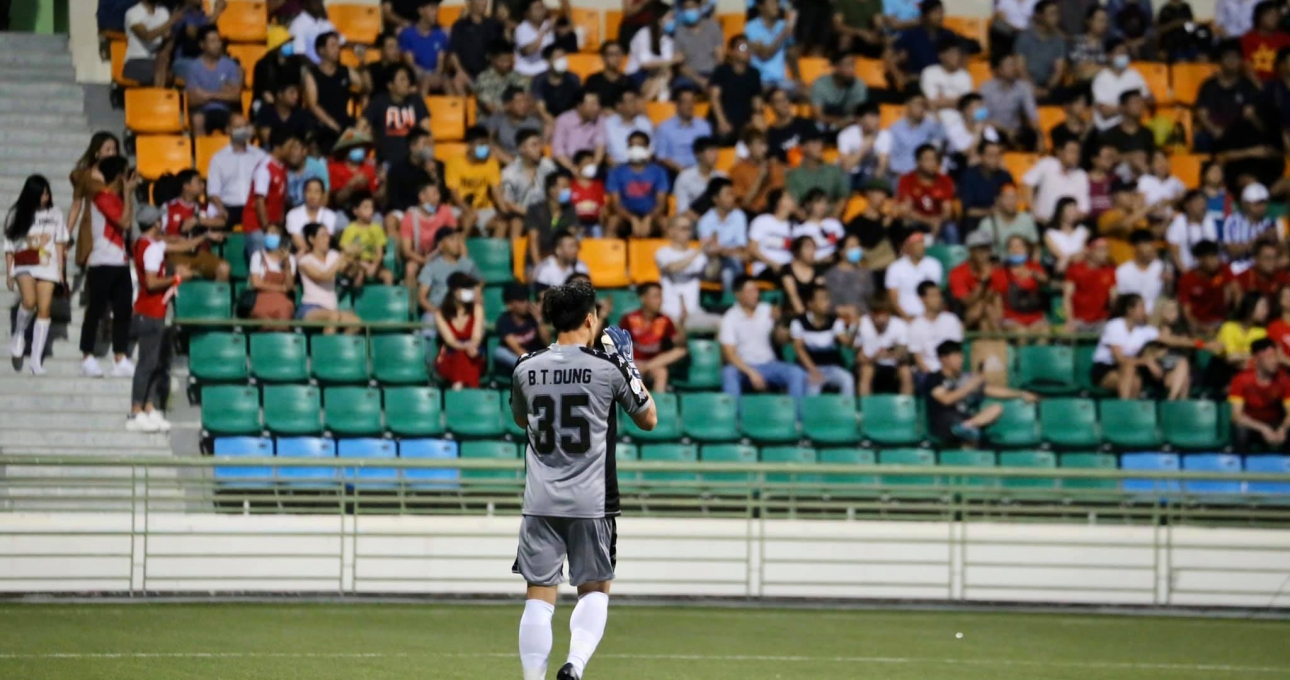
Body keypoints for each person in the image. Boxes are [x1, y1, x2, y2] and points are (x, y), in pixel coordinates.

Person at [508, 279, 657, 680]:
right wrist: (627, 361)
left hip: (540, 499)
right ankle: (574, 665)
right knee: (594, 588)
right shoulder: (607, 368)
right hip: (592, 500)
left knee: (538, 597)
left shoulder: (525, 366)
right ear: (591, 320)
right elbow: (649, 419)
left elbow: (521, 419)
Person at [125, 205, 185, 433]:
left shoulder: (143, 244)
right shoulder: (151, 249)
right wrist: (176, 278)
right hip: (149, 312)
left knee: (155, 364)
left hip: (152, 312)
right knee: (147, 364)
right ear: (157, 223)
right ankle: (135, 411)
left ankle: (149, 408)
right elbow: (150, 283)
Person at [80, 157, 138, 379]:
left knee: (123, 310)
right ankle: (86, 356)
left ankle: (120, 357)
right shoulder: (102, 197)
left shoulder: (117, 198)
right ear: (120, 176)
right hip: (101, 261)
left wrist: (127, 194)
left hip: (120, 262)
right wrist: (129, 193)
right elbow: (124, 222)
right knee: (95, 310)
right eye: (126, 174)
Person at [4, 176, 66, 376]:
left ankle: (36, 360)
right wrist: (9, 272)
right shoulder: (17, 213)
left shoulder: (55, 213)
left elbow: (59, 242)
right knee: (29, 301)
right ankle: (19, 334)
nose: (46, 197)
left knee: (45, 309)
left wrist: (61, 271)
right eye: (42, 194)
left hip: (48, 264)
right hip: (24, 262)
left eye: (47, 193)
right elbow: (10, 245)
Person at [927, 340, 1038, 447]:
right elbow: (946, 400)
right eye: (955, 356)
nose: (960, 360)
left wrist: (1021, 394)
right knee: (969, 432)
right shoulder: (935, 378)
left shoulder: (965, 377)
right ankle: (965, 429)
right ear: (943, 359)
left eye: (961, 356)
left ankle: (966, 427)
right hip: (944, 423)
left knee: (996, 408)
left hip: (967, 420)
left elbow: (991, 390)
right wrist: (970, 386)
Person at [719, 275, 808, 407]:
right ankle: (734, 418)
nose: (755, 295)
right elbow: (729, 354)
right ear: (738, 295)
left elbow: (780, 340)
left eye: (756, 291)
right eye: (750, 292)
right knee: (728, 373)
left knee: (797, 373)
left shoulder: (766, 310)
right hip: (744, 367)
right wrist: (751, 373)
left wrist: (780, 325)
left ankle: (796, 419)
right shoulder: (730, 318)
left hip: (769, 365)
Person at [1092, 293, 1190, 400]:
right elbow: (1120, 359)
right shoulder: (1115, 326)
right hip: (1107, 368)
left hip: (1133, 368)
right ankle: (1123, 407)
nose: (1145, 310)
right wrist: (1147, 361)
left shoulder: (1143, 329)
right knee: (1129, 369)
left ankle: (1133, 411)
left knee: (1136, 380)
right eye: (1141, 306)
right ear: (1130, 310)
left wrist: (1202, 344)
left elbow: (1174, 340)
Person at [243, 129, 303, 261]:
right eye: (289, 147)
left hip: (274, 227)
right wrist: (267, 227)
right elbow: (259, 200)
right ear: (278, 147)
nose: (292, 151)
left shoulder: (282, 167)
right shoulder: (265, 168)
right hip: (258, 227)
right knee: (261, 266)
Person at [161, 169, 230, 282]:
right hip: (177, 254)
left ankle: (216, 298)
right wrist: (176, 240)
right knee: (180, 270)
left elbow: (222, 221)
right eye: (199, 182)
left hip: (201, 253)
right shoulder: (168, 207)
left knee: (224, 268)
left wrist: (198, 221)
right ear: (186, 186)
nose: (203, 186)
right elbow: (158, 235)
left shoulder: (206, 207)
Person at [1195, 40, 1264, 153]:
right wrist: (1214, 130)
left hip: (1239, 134)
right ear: (1220, 60)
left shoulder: (1247, 86)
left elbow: (1250, 114)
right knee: (1201, 139)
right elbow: (1202, 113)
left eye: (1236, 58)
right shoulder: (1208, 85)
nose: (1232, 61)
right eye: (1228, 57)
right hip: (1215, 132)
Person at [655, 216, 722, 332]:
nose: (687, 232)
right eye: (683, 228)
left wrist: (715, 256)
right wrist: (700, 249)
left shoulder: (697, 255)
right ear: (671, 231)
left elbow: (711, 275)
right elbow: (673, 268)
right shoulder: (663, 252)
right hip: (669, 314)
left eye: (689, 229)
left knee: (723, 324)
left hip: (693, 314)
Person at [619, 283, 688, 392]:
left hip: (654, 363)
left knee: (663, 370)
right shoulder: (629, 319)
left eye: (660, 296)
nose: (659, 301)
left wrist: (681, 324)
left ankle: (658, 407)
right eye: (655, 296)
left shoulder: (665, 320)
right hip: (633, 362)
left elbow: (680, 344)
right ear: (643, 298)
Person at [789, 286, 857, 396]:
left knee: (847, 379)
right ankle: (811, 413)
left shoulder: (835, 320)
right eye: (822, 299)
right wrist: (813, 370)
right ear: (810, 304)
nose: (827, 303)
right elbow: (799, 349)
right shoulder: (799, 322)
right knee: (813, 387)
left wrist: (854, 327)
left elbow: (847, 343)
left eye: (827, 299)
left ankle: (846, 412)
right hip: (809, 368)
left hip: (832, 367)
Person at [303, 32, 364, 154]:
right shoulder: (312, 74)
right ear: (321, 50)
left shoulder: (345, 71)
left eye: (338, 46)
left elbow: (365, 87)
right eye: (332, 46)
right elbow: (313, 105)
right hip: (321, 125)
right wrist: (334, 126)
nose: (337, 50)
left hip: (344, 121)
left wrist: (362, 62)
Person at [68, 132, 120, 272]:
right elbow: (76, 205)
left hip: (115, 226)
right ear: (96, 152)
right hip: (91, 227)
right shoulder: (85, 175)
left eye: (114, 150)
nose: (112, 153)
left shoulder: (120, 176)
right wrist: (67, 232)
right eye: (107, 149)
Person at [297, 223, 362, 334]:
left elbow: (350, 273)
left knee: (356, 322)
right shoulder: (305, 261)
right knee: (333, 316)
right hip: (311, 308)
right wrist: (342, 257)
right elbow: (323, 276)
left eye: (327, 235)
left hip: (331, 308)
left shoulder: (333, 255)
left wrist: (355, 259)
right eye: (322, 236)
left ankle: (339, 347)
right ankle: (327, 350)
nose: (327, 239)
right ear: (312, 239)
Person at [364, 64, 432, 166]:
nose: (407, 83)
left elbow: (427, 132)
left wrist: (427, 157)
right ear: (390, 85)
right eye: (402, 80)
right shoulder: (378, 102)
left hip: (413, 163)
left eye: (407, 79)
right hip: (386, 162)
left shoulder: (416, 101)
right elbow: (361, 126)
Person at [1229, 338, 1290, 451]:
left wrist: (1283, 429)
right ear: (1256, 359)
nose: (1274, 361)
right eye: (1269, 357)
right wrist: (1263, 428)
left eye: (1276, 357)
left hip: (1275, 424)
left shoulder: (1284, 380)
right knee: (1240, 429)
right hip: (1251, 425)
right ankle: (1240, 464)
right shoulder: (1241, 380)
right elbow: (1236, 416)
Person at [416, 226, 480, 333]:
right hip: (437, 310)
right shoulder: (430, 268)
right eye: (452, 240)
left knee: (479, 323)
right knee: (429, 324)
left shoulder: (468, 266)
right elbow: (422, 298)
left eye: (457, 240)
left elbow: (475, 292)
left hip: (462, 311)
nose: (456, 243)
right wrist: (436, 311)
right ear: (441, 245)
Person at [606, 131, 669, 238]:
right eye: (632, 145)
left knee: (665, 223)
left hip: (651, 215)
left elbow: (661, 203)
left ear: (647, 148)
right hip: (625, 216)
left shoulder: (659, 171)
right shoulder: (616, 172)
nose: (635, 148)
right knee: (613, 222)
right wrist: (632, 219)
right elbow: (616, 204)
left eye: (639, 145)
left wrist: (649, 218)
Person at [205, 115, 265, 228]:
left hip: (254, 206)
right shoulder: (218, 158)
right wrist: (222, 210)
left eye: (245, 126)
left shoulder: (260, 156)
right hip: (229, 207)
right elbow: (213, 192)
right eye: (238, 127)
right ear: (228, 130)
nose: (243, 130)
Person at [446, 126, 505, 236]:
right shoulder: (454, 162)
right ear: (469, 145)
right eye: (481, 144)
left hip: (484, 209)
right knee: (469, 219)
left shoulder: (492, 163)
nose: (485, 148)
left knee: (502, 224)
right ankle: (460, 249)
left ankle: (493, 253)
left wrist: (504, 211)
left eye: (487, 144)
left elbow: (496, 190)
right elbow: (454, 193)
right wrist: (468, 211)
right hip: (460, 208)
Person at [184, 26, 243, 136]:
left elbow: (235, 96)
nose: (217, 45)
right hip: (202, 111)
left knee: (238, 121)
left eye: (218, 41)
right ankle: (201, 151)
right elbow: (193, 100)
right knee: (198, 120)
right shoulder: (194, 67)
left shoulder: (230, 65)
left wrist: (208, 95)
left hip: (225, 110)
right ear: (202, 45)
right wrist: (222, 93)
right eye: (212, 41)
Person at [708, 34, 766, 143]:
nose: (747, 50)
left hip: (745, 124)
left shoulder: (754, 73)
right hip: (724, 121)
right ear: (731, 51)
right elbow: (714, 97)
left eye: (749, 47)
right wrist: (721, 121)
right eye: (743, 47)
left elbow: (756, 100)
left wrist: (757, 116)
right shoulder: (721, 71)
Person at [694, 178, 749, 294]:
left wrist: (722, 250)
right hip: (713, 262)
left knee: (729, 272)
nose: (732, 198)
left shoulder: (739, 216)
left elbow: (741, 246)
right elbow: (708, 249)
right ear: (716, 199)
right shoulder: (705, 221)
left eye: (732, 194)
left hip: (733, 259)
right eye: (728, 195)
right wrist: (723, 250)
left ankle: (730, 303)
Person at [895, 144, 957, 244]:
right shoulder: (907, 180)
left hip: (939, 221)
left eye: (935, 159)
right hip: (917, 221)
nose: (932, 163)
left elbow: (947, 211)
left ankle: (955, 258)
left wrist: (937, 221)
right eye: (928, 160)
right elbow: (906, 209)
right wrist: (928, 221)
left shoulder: (945, 180)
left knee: (951, 229)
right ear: (917, 162)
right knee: (904, 224)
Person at [978, 54, 1041, 151]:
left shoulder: (1024, 87)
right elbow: (980, 117)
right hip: (995, 128)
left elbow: (1032, 115)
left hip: (1015, 130)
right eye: (1009, 65)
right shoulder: (986, 88)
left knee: (1030, 135)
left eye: (1014, 64)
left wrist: (1039, 135)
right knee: (986, 133)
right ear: (998, 70)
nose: (1013, 68)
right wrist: (1006, 131)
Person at [433, 271, 486, 388]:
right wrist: (466, 347)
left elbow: (476, 337)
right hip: (450, 355)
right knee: (461, 356)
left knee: (466, 357)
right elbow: (450, 341)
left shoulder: (477, 308)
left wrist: (472, 346)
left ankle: (457, 389)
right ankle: (471, 391)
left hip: (473, 352)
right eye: (466, 288)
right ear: (455, 291)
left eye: (470, 288)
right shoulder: (440, 313)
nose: (470, 292)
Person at [1209, 291, 1272, 390]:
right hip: (1223, 372)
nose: (1266, 311)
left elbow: (1260, 358)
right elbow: (1231, 357)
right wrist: (1251, 358)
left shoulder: (1262, 332)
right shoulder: (1229, 327)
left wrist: (1245, 358)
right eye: (1263, 307)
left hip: (1248, 371)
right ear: (1251, 306)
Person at [400, 181, 457, 289]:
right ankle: (411, 301)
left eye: (438, 194)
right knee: (410, 268)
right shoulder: (409, 218)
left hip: (441, 255)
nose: (438, 197)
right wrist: (423, 261)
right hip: (419, 257)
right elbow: (407, 250)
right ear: (422, 196)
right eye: (434, 194)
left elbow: (454, 237)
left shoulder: (445, 211)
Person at [501, 129, 559, 236]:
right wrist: (532, 213)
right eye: (534, 145)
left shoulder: (548, 166)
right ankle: (515, 252)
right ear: (522, 149)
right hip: (523, 214)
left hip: (548, 212)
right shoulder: (510, 172)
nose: (539, 149)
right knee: (516, 221)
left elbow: (557, 189)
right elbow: (508, 203)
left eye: (540, 144)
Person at [1021, 139, 1090, 224]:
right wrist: (1034, 212)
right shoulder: (1047, 164)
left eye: (1078, 152)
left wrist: (1070, 220)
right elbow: (1028, 184)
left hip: (1067, 226)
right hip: (1041, 222)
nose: (1076, 155)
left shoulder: (1081, 175)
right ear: (1059, 152)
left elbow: (1084, 209)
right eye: (1072, 151)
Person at [856, 295, 913, 396]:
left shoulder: (899, 325)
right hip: (871, 363)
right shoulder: (862, 324)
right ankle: (865, 408)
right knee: (866, 371)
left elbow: (903, 352)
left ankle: (906, 407)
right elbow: (859, 357)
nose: (881, 318)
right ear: (871, 314)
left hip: (893, 364)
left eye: (885, 314)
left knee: (906, 372)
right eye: (878, 314)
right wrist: (874, 358)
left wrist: (890, 354)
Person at [1014, 0, 1068, 104]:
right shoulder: (1024, 37)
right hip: (1027, 84)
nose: (1056, 18)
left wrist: (1047, 89)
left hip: (1049, 86)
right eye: (1052, 14)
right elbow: (1020, 68)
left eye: (1057, 13)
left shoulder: (1058, 40)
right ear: (1039, 16)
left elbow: (1059, 71)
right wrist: (1033, 88)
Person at [786, 129, 849, 217]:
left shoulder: (833, 170)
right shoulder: (795, 175)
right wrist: (808, 221)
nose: (819, 146)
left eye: (820, 143)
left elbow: (843, 196)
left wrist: (832, 218)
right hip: (804, 222)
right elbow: (792, 202)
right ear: (803, 147)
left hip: (829, 219)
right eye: (814, 143)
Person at [1091, 39, 1152, 131]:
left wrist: (1131, 106)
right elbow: (1105, 112)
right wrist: (1128, 107)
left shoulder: (1134, 74)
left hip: (1133, 126)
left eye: (1125, 53)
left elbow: (1148, 98)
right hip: (1108, 129)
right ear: (1109, 56)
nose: (1123, 56)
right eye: (1119, 53)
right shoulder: (1101, 79)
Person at [907, 280, 963, 379]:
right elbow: (917, 357)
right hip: (928, 374)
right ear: (923, 299)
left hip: (950, 372)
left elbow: (956, 351)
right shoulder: (915, 325)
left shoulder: (951, 320)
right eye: (933, 296)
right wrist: (933, 376)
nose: (938, 299)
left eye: (939, 295)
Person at [994, 235, 1049, 333]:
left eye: (1019, 246)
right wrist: (998, 319)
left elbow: (1045, 280)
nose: (1016, 249)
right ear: (1008, 250)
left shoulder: (1034, 266)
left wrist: (1033, 273)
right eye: (1012, 246)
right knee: (1021, 332)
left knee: (1044, 331)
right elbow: (998, 297)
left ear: (1026, 249)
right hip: (1012, 317)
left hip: (1035, 316)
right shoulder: (1001, 271)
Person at [1178, 240, 1235, 334]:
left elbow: (1236, 291)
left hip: (1223, 321)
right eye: (1211, 257)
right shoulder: (1187, 279)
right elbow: (1186, 312)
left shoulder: (1223, 270)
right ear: (1200, 259)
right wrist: (1201, 327)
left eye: (1216, 256)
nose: (1215, 261)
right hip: (1199, 324)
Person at [525, 171, 579, 268]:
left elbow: (570, 237)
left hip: (562, 261)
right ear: (551, 190)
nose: (568, 190)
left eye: (568, 187)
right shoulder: (535, 210)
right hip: (540, 258)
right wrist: (539, 267)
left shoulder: (570, 210)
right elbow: (533, 240)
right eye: (564, 187)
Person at [1062, 237, 1117, 333]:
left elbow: (1114, 297)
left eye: (1106, 250)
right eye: (1101, 250)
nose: (1105, 254)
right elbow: (1067, 297)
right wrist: (1069, 320)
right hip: (1079, 320)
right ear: (1090, 250)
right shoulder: (1075, 270)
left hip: (1101, 320)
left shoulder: (1110, 271)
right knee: (1067, 332)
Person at [339, 195, 394, 287]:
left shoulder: (377, 228)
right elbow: (345, 252)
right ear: (355, 211)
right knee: (358, 274)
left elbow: (379, 253)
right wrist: (362, 264)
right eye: (366, 208)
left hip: (373, 263)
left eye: (371, 207)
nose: (370, 211)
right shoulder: (349, 229)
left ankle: (386, 300)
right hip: (356, 263)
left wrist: (374, 265)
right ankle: (355, 300)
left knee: (388, 276)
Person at [959, 140, 1015, 232]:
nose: (995, 159)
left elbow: (1012, 200)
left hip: (1002, 220)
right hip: (976, 221)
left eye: (998, 155)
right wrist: (990, 212)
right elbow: (968, 211)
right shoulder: (969, 176)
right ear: (981, 157)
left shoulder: (1005, 176)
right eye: (991, 156)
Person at [885, 232, 943, 320]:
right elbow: (893, 300)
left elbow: (935, 295)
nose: (920, 247)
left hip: (929, 317)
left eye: (922, 244)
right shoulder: (895, 268)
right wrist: (907, 319)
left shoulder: (934, 264)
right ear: (908, 247)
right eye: (917, 244)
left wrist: (928, 318)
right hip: (904, 317)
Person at [886, 93, 947, 177]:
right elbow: (892, 154)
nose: (921, 108)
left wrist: (935, 112)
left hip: (923, 174)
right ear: (908, 106)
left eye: (923, 105)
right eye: (917, 104)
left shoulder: (928, 125)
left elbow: (942, 137)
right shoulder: (896, 128)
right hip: (900, 173)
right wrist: (899, 173)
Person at [447, 0, 504, 89]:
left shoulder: (494, 25)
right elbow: (453, 53)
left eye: (485, 1)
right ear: (470, 2)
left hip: (488, 74)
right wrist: (460, 71)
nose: (484, 3)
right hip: (466, 73)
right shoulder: (459, 26)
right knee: (457, 82)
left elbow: (501, 53)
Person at [494, 281, 549, 373]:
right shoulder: (504, 321)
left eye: (526, 299)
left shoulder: (533, 317)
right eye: (521, 301)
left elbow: (547, 342)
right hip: (519, 360)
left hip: (537, 357)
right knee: (499, 352)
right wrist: (531, 362)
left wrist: (539, 320)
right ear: (509, 305)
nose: (526, 303)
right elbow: (516, 348)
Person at [399, 0, 452, 95]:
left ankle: (455, 109)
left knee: (447, 82)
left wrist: (436, 74)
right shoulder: (407, 34)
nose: (436, 12)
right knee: (425, 81)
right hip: (417, 75)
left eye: (436, 8)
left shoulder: (440, 35)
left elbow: (440, 63)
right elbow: (410, 63)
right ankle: (421, 109)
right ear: (421, 11)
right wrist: (426, 75)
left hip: (436, 75)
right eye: (432, 8)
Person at [655, 88, 713, 174]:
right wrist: (681, 170)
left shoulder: (704, 126)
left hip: (700, 171)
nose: (689, 106)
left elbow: (709, 151)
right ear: (677, 105)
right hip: (674, 171)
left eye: (692, 102)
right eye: (685, 102)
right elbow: (661, 156)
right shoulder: (664, 128)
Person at [1219, 183, 1276, 272]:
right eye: (1257, 204)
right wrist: (1257, 241)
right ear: (1245, 204)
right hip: (1236, 268)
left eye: (1264, 203)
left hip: (1261, 269)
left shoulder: (1271, 223)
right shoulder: (1233, 222)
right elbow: (1233, 251)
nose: (1261, 207)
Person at [728, 128, 786, 213]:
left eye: (765, 145)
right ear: (749, 147)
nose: (764, 149)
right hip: (751, 213)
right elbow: (744, 203)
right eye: (759, 145)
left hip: (775, 214)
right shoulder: (738, 170)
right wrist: (760, 179)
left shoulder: (774, 167)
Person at [247, 223, 297, 323]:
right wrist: (281, 288)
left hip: (283, 301)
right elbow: (256, 283)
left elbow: (290, 286)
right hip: (261, 299)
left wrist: (287, 264)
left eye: (273, 233)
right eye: (267, 233)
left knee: (283, 318)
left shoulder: (291, 258)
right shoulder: (258, 256)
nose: (269, 235)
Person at [836, 103, 893, 189]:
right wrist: (863, 149)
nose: (875, 121)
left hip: (868, 174)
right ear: (859, 119)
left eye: (877, 117)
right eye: (870, 117)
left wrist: (878, 175)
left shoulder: (884, 135)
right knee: (844, 178)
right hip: (849, 173)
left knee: (889, 179)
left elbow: (882, 164)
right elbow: (846, 166)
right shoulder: (846, 134)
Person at [626, 14, 681, 101]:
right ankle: (645, 102)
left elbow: (667, 62)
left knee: (667, 73)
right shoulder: (644, 33)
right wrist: (673, 60)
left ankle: (654, 101)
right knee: (665, 74)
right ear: (659, 20)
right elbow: (644, 64)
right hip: (637, 74)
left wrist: (672, 61)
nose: (672, 21)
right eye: (670, 17)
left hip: (656, 73)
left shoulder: (668, 37)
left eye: (673, 18)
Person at [486, 87, 545, 166]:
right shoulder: (497, 120)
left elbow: (536, 148)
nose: (524, 105)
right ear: (507, 105)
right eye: (519, 102)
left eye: (525, 101)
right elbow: (487, 140)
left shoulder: (534, 123)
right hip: (502, 161)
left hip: (527, 162)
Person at [552, 90, 607, 174]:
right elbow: (558, 150)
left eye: (597, 104)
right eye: (592, 104)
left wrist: (593, 167)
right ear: (579, 106)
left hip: (589, 164)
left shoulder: (600, 120)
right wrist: (572, 168)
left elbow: (600, 145)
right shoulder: (564, 120)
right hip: (567, 164)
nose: (596, 108)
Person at [745, 0, 796, 89]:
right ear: (761, 7)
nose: (776, 6)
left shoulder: (783, 25)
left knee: (806, 92)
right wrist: (782, 35)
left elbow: (792, 54)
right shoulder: (750, 27)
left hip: (781, 81)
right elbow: (764, 55)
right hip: (760, 81)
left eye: (777, 3)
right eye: (772, 3)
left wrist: (798, 79)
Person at [747, 188, 797, 279]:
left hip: (788, 269)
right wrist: (773, 264)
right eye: (789, 198)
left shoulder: (795, 226)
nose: (793, 201)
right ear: (779, 202)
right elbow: (752, 249)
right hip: (765, 268)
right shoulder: (762, 221)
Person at [123, 0, 176, 86]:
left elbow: (168, 37)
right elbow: (147, 36)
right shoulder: (133, 13)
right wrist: (171, 21)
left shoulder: (163, 12)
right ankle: (158, 97)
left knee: (170, 73)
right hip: (136, 60)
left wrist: (164, 53)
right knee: (159, 73)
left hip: (158, 60)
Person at [813, 52, 869, 132]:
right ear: (837, 67)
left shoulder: (859, 85)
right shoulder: (821, 83)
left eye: (853, 65)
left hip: (850, 126)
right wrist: (838, 121)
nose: (852, 70)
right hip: (826, 125)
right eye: (847, 65)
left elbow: (860, 115)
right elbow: (818, 115)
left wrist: (847, 122)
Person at [673, 0, 723, 89]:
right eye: (686, 8)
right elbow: (680, 66)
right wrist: (699, 80)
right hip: (690, 76)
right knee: (685, 95)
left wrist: (714, 78)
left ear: (700, 8)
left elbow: (720, 58)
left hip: (711, 73)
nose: (689, 11)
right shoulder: (679, 32)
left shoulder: (713, 27)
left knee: (716, 90)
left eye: (692, 7)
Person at [1115, 229, 1166, 315]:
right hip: (1133, 316)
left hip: (1157, 316)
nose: (1150, 248)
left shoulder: (1161, 267)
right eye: (1146, 244)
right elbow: (1121, 300)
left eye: (1151, 244)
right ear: (1134, 248)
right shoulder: (1122, 271)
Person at [476, 40, 534, 116]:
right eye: (502, 60)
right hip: (491, 120)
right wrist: (512, 107)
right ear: (492, 59)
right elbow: (491, 108)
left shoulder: (517, 76)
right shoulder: (483, 79)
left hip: (518, 118)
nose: (507, 64)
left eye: (509, 60)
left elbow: (529, 100)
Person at [823, 232, 873, 320]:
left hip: (865, 319)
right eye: (852, 247)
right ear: (841, 251)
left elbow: (871, 299)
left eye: (858, 246)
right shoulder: (830, 275)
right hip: (841, 320)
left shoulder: (865, 272)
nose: (856, 249)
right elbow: (828, 303)